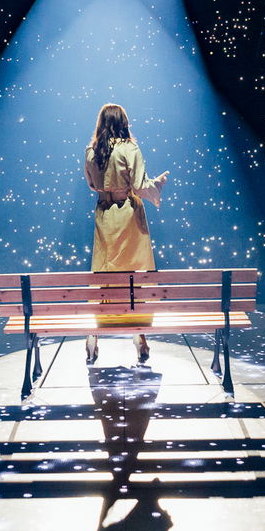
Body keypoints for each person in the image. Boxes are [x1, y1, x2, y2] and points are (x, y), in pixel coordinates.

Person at [82, 103, 168, 365]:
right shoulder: (129, 149)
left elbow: (91, 184)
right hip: (128, 215)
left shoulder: (90, 152)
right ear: (124, 123)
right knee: (136, 276)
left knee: (106, 274)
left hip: (104, 215)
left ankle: (95, 333)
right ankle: (140, 333)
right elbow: (141, 186)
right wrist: (158, 185)